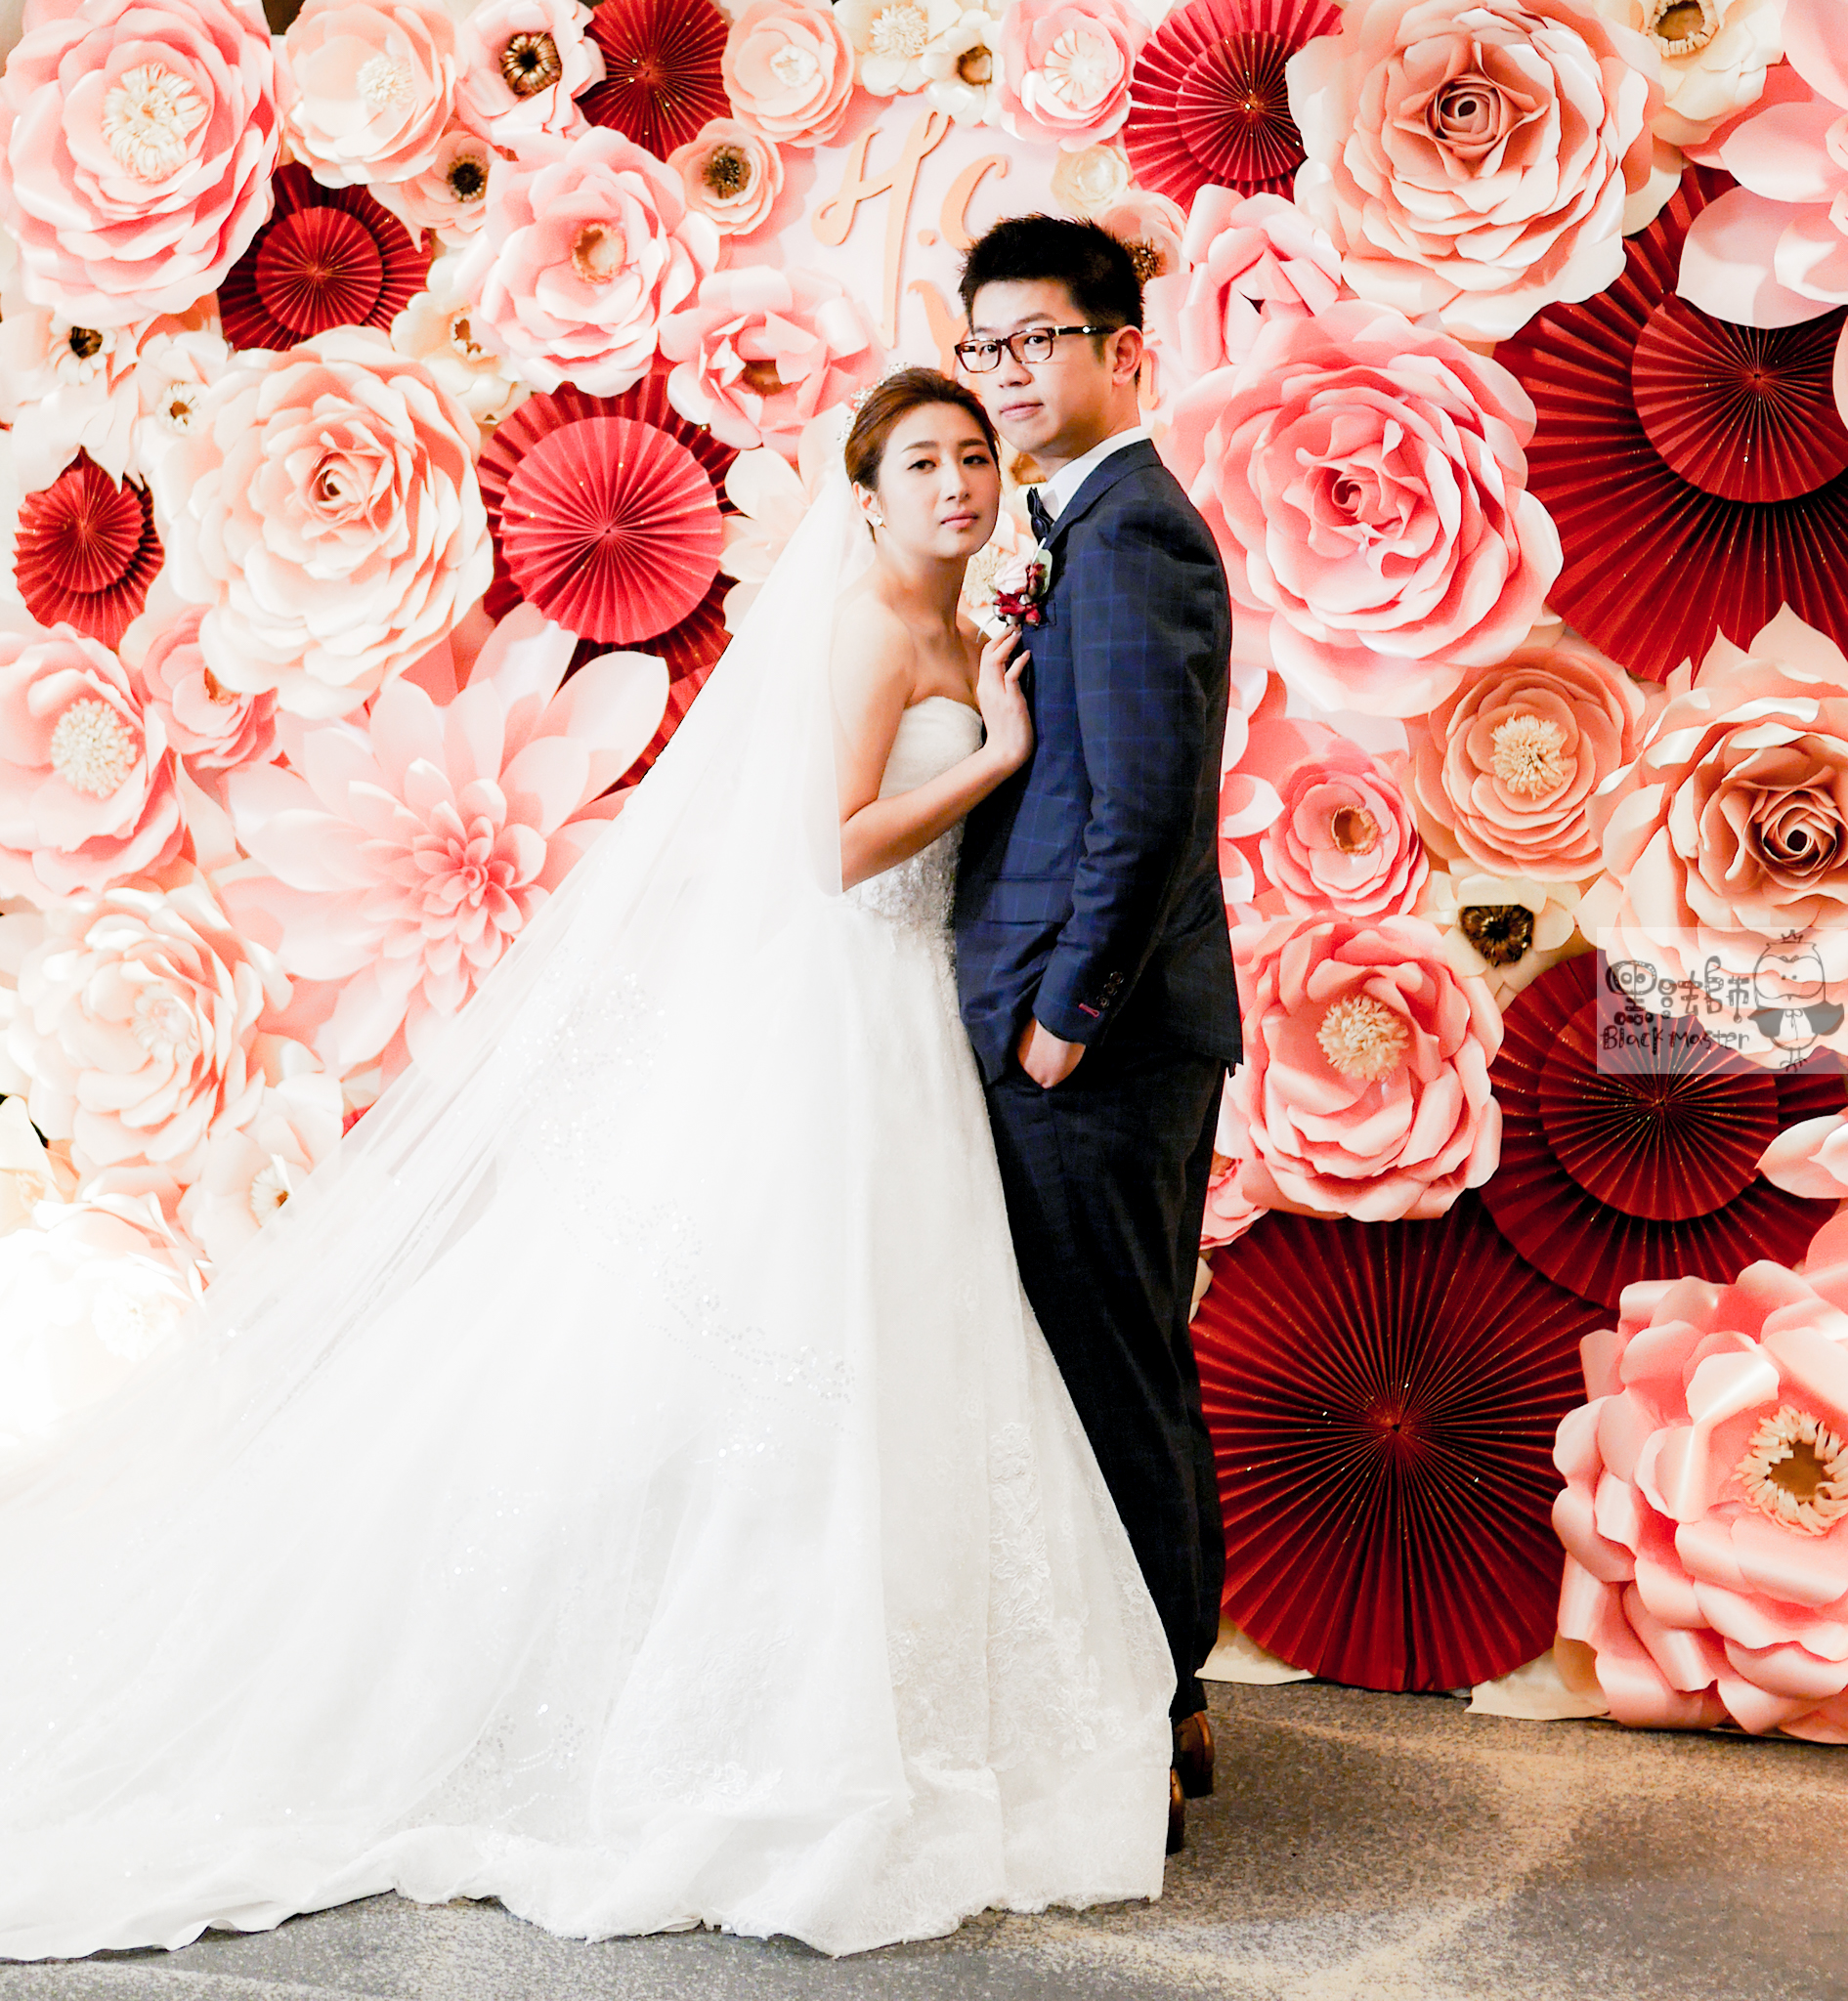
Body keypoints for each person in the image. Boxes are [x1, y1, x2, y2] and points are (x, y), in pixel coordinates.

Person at [0, 370, 1177, 1963]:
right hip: (838, 1011)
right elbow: (830, 847)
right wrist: (998, 753)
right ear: (868, 493)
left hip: (912, 1019)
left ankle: (874, 1700)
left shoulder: (972, 629)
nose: (960, 483)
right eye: (923, 462)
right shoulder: (867, 632)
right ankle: (740, 1717)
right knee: (792, 1346)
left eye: (975, 456)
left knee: (905, 1344)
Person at [951, 218, 1241, 1854]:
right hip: (1084, 1034)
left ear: (1125, 351)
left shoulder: (1134, 539)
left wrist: (1063, 1022)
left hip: (1101, 1048)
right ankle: (1157, 1708)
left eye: (1038, 340)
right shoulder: (1078, 525)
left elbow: (1144, 815)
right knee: (1102, 1362)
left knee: (1116, 1373)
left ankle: (1154, 1714)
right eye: (985, 345)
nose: (1007, 374)